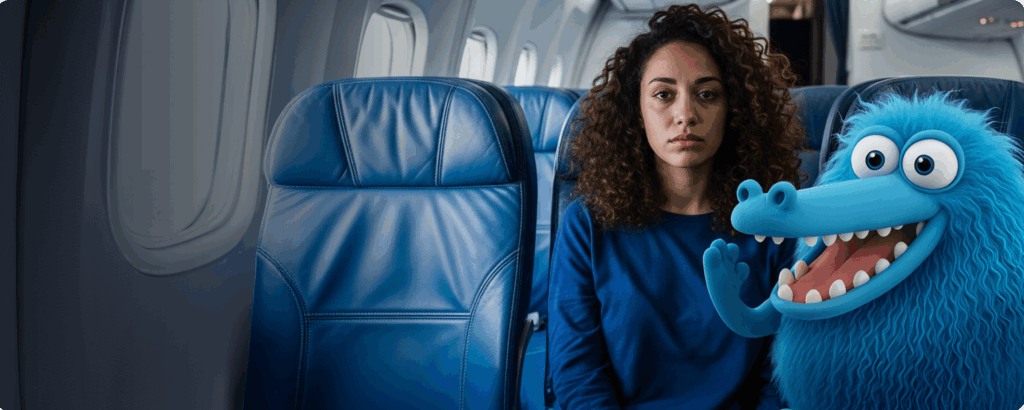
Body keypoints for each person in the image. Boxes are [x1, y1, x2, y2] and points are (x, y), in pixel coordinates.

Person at [547, 4, 805, 410]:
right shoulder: (587, 225)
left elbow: (780, 376)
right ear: (637, 112)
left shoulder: (776, 229)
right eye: (663, 95)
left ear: (733, 110)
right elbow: (577, 373)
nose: (685, 114)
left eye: (707, 94)